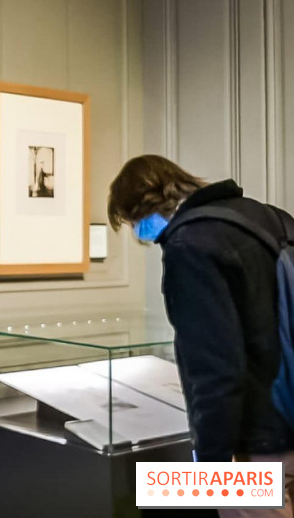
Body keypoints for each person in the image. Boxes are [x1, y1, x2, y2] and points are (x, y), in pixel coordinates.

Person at [108, 155, 294, 518]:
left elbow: (216, 367)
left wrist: (212, 465)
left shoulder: (190, 245)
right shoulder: (269, 217)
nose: (138, 233)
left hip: (260, 434)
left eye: (133, 222)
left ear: (142, 207)